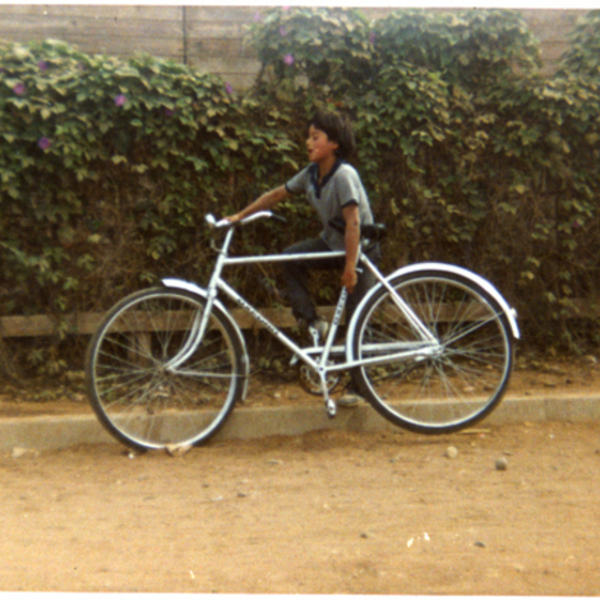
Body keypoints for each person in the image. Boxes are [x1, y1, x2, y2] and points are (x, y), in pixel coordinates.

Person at [226, 110, 380, 406]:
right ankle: (312, 322)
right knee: (291, 257)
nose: (308, 143)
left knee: (358, 318)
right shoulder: (311, 174)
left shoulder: (344, 175)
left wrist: (350, 267)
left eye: (315, 137)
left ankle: (359, 388)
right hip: (331, 244)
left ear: (334, 143)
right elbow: (275, 195)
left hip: (359, 251)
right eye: (308, 137)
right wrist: (240, 215)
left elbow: (354, 223)